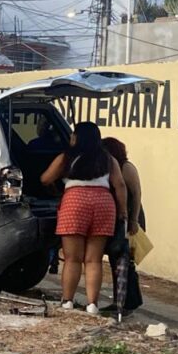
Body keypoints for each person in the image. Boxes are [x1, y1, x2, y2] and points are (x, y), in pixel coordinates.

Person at [41, 121, 128, 315]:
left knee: (72, 259)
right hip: (103, 204)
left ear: (76, 138)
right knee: (94, 260)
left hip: (75, 202)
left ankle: (68, 301)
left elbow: (45, 178)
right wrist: (123, 211)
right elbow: (120, 185)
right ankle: (92, 305)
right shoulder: (108, 158)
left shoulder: (67, 157)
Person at [102, 137, 146, 313]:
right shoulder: (111, 167)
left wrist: (133, 220)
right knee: (117, 260)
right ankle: (121, 300)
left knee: (126, 261)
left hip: (130, 217)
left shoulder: (126, 168)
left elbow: (136, 194)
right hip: (120, 218)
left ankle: (129, 302)